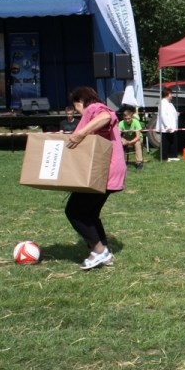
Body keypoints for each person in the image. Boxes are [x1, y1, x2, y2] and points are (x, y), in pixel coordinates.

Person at [65, 86, 126, 270]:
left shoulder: (93, 108)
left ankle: (99, 251)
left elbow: (107, 117)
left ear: (79, 101)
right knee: (90, 213)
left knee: (74, 211)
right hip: (109, 170)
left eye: (75, 107)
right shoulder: (94, 109)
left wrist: (80, 133)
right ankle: (105, 254)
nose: (76, 112)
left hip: (103, 172)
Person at [155, 86, 179, 161]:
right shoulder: (163, 103)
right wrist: (167, 126)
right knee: (165, 143)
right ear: (168, 94)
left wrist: (176, 114)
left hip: (172, 127)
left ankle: (172, 156)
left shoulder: (170, 104)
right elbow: (163, 115)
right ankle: (164, 157)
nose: (172, 95)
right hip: (166, 127)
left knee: (172, 141)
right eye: (171, 94)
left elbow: (171, 113)